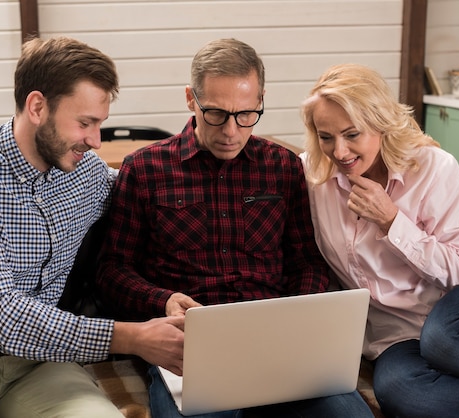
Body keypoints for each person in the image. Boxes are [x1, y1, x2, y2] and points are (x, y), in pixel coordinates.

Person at [0, 36, 185, 418]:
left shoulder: (87, 175)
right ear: (36, 106)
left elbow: (154, 201)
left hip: (39, 366)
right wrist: (133, 337)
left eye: (100, 124)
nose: (96, 141)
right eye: (85, 123)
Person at [96, 38, 373, 418]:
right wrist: (161, 300)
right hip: (188, 346)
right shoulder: (145, 170)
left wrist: (298, 318)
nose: (231, 130)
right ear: (191, 99)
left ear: (260, 100)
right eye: (216, 113)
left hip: (276, 340)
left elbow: (307, 262)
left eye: (246, 114)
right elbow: (111, 271)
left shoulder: (282, 166)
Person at [300, 63, 459, 417]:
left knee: (443, 340)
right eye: (326, 137)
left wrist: (392, 222)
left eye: (352, 134)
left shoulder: (435, 167)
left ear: (381, 123)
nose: (339, 151)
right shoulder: (314, 178)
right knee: (401, 392)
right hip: (395, 333)